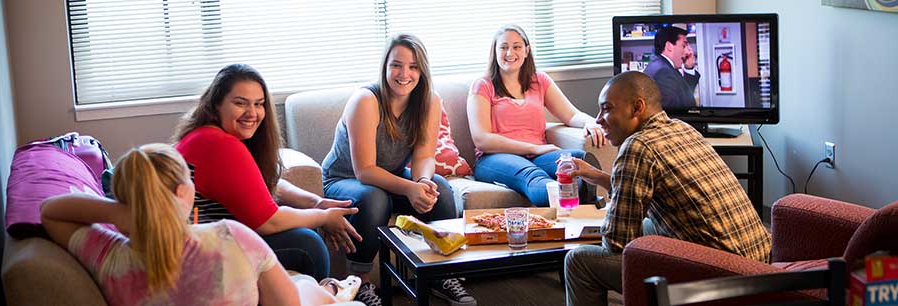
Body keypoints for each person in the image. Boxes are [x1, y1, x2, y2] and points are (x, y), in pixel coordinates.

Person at [40, 143, 351, 306]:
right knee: (307, 287)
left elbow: (50, 211)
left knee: (308, 286)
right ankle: (332, 289)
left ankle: (331, 290)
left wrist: (121, 214)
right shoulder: (231, 238)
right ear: (184, 192)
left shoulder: (110, 258)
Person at [562, 71, 771, 306]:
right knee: (648, 225)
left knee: (579, 261)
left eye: (606, 108)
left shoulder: (637, 146)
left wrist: (608, 223)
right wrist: (597, 176)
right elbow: (643, 190)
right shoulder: (682, 128)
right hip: (759, 264)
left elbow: (616, 243)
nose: (598, 119)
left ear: (637, 107)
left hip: (723, 280)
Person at [321, 33, 473, 306]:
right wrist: (409, 188)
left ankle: (441, 274)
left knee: (442, 190)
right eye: (397, 65)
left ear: (422, 71)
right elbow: (365, 171)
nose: (405, 74)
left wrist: (423, 182)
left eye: (413, 67)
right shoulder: (366, 100)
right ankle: (358, 283)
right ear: (385, 67)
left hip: (387, 175)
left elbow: (424, 155)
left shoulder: (429, 100)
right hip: (344, 178)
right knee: (373, 197)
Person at [173, 64, 361, 281]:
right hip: (203, 252)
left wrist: (315, 203)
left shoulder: (205, 134)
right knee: (308, 245)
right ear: (216, 104)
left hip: (202, 240)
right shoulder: (220, 145)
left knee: (306, 230)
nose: (252, 113)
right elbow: (267, 221)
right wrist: (323, 217)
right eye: (240, 103)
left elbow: (260, 182)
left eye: (259, 104)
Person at [467, 24, 606, 207]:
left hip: (538, 155)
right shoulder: (483, 85)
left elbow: (570, 114)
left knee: (576, 159)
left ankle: (581, 197)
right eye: (503, 47)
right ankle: (576, 197)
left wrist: (591, 123)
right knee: (532, 175)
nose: (510, 53)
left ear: (526, 51)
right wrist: (533, 148)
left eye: (516, 46)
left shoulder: (539, 80)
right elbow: (482, 139)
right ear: (495, 51)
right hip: (495, 157)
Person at [643, 26, 700, 109]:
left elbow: (683, 93)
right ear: (669, 46)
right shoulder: (663, 71)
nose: (687, 52)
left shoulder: (663, 66)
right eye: (683, 46)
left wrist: (689, 68)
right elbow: (673, 112)